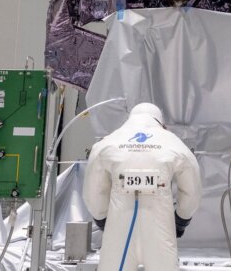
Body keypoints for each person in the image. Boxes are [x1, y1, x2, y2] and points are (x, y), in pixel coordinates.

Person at [83, 102, 202, 271]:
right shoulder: (172, 142)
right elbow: (191, 188)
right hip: (160, 225)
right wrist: (182, 219)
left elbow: (93, 190)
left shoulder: (109, 142)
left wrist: (102, 218)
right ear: (160, 121)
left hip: (119, 223)